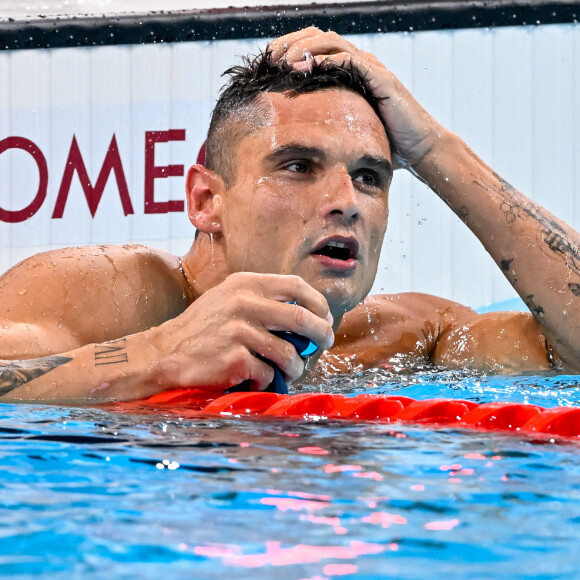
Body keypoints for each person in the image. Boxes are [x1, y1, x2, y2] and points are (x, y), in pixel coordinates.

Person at [1, 28, 579, 403]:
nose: (347, 200)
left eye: (369, 177)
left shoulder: (398, 339)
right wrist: (160, 354)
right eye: (298, 166)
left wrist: (432, 148)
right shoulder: (114, 295)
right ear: (206, 201)